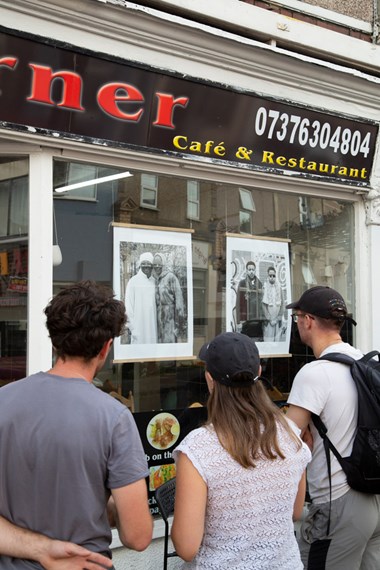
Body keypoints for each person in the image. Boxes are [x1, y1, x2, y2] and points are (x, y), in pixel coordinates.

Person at [0, 281, 153, 569]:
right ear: (106, 348)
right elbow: (138, 536)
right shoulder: (114, 418)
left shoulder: (2, 401)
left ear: (54, 340)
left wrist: (41, 548)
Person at [171, 332, 311, 569]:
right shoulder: (290, 433)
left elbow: (186, 547)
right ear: (259, 372)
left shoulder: (198, 448)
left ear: (209, 379)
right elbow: (295, 512)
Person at [286, 286, 380, 570]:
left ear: (309, 321)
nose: (298, 323)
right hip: (374, 497)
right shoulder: (368, 362)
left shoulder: (314, 373)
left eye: (298, 317)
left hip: (337, 501)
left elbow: (285, 441)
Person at [125, 251, 157, 344]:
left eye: (149, 263)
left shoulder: (154, 282)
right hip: (138, 330)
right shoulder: (133, 281)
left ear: (152, 266)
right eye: (144, 263)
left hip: (152, 329)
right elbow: (128, 307)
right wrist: (133, 329)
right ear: (140, 265)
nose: (146, 266)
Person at [153, 253, 185, 343]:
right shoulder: (155, 279)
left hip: (170, 320)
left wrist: (179, 324)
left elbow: (179, 303)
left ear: (163, 264)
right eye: (155, 264)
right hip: (158, 320)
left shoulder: (171, 277)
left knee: (168, 346)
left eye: (159, 264)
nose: (157, 267)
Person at [235, 261, 264, 341]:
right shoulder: (242, 283)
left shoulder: (260, 284)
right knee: (245, 343)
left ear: (255, 270)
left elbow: (262, 303)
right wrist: (238, 321)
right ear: (247, 270)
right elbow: (238, 302)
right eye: (249, 269)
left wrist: (263, 319)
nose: (251, 271)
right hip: (246, 321)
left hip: (257, 321)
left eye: (253, 269)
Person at [262, 266, 285, 342]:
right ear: (268, 276)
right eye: (270, 276)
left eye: (273, 276)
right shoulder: (265, 287)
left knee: (277, 339)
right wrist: (269, 318)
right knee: (268, 339)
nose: (272, 277)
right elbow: (263, 305)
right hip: (269, 320)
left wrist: (279, 317)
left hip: (277, 320)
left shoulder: (279, 287)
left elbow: (282, 303)